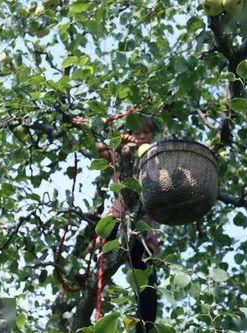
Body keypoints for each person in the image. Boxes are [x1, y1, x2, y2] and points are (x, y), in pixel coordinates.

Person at [97, 118, 159, 332]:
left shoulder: (159, 159)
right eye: (137, 131)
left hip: (143, 230)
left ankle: (146, 327)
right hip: (117, 219)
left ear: (153, 136)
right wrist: (120, 140)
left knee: (148, 283)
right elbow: (100, 149)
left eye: (147, 132)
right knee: (102, 264)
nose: (142, 136)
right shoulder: (121, 152)